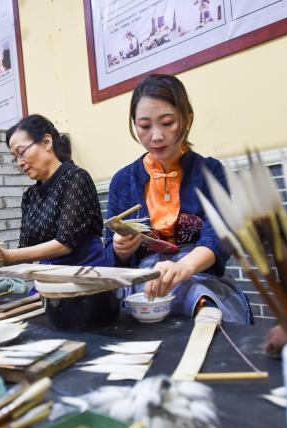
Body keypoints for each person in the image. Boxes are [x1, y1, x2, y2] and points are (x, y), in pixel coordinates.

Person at [105, 74, 252, 323]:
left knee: (206, 310)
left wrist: (184, 267)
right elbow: (109, 255)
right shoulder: (123, 180)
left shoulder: (210, 172)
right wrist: (119, 250)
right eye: (144, 126)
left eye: (167, 122)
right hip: (142, 282)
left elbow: (219, 237)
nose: (156, 136)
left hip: (199, 276)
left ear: (187, 120)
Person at [0, 114, 106, 267]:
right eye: (15, 158)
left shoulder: (76, 178)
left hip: (86, 272)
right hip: (47, 274)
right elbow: (24, 251)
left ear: (47, 142)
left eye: (22, 152)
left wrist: (8, 255)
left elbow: (65, 244)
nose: (20, 163)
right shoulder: (30, 196)